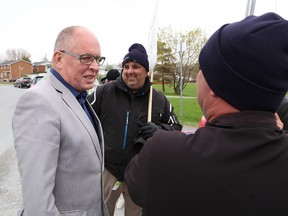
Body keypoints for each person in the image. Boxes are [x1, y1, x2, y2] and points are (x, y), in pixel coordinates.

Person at [124, 12, 288, 216]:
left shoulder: (163, 153)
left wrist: (151, 138)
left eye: (202, 68)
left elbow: (135, 182)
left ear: (215, 83)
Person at [12, 26, 108, 216]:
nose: (95, 67)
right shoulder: (39, 102)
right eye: (86, 58)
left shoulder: (78, 96)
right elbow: (38, 202)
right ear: (58, 59)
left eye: (97, 59)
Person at [87, 43, 182, 216]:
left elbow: (176, 129)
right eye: (126, 66)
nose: (130, 71)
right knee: (99, 212)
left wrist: (159, 131)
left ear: (146, 71)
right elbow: (83, 118)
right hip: (107, 170)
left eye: (136, 66)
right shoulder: (104, 92)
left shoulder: (159, 100)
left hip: (139, 173)